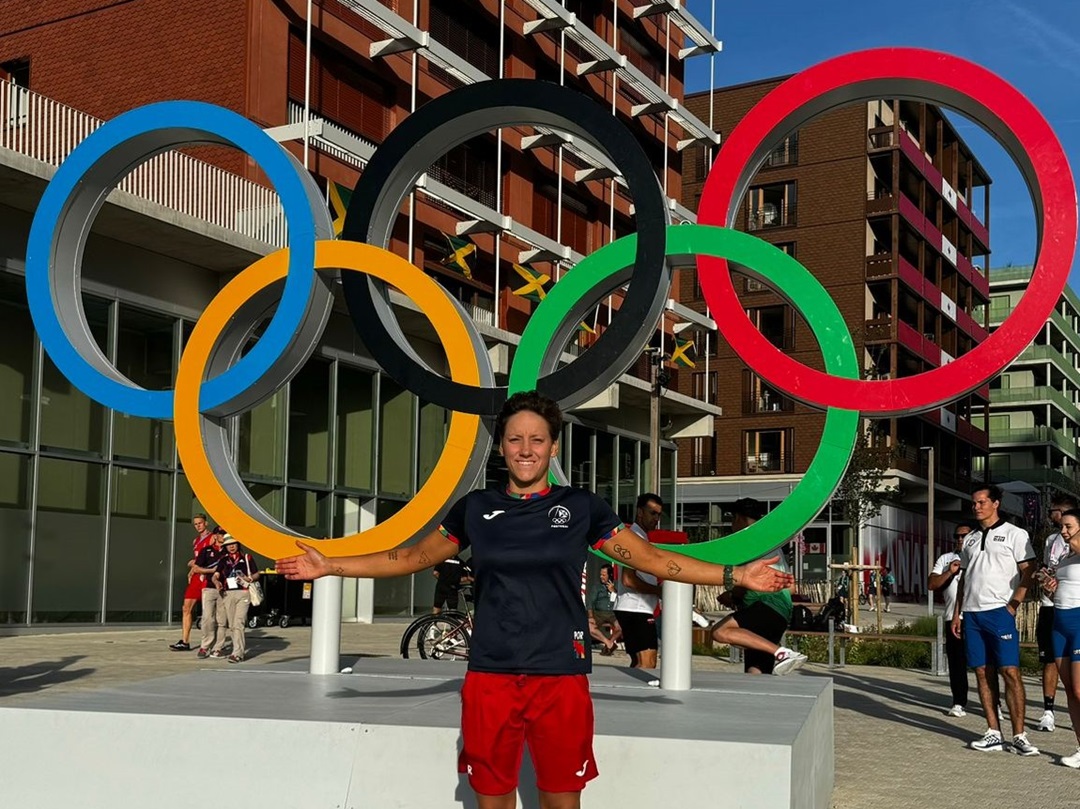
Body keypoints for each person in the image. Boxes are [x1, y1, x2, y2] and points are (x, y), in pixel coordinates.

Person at [275, 390, 792, 809]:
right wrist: (330, 564)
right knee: (492, 798)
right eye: (515, 439)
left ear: (553, 448)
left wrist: (734, 573)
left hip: (560, 676)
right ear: (501, 447)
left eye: (537, 440)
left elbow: (652, 560)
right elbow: (411, 557)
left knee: (561, 800)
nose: (526, 449)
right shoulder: (475, 508)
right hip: (490, 675)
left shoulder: (582, 507)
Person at [951, 484, 1039, 756]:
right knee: (981, 671)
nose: (976, 507)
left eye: (981, 502)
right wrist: (957, 613)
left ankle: (1019, 736)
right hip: (972, 614)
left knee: (1010, 672)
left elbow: (1029, 570)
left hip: (1000, 612)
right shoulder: (970, 538)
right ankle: (993, 732)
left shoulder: (1015, 533)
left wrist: (1014, 604)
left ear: (996, 503)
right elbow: (965, 578)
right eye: (974, 503)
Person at [710, 498, 806, 675]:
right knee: (756, 670)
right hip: (781, 612)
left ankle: (783, 654)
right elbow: (792, 588)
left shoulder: (745, 541)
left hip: (765, 606)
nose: (731, 526)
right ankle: (777, 653)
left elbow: (743, 580)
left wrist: (731, 596)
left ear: (738, 518)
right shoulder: (771, 543)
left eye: (731, 520)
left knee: (720, 631)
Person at [1034, 494, 1077, 732]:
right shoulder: (1054, 542)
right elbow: (1049, 573)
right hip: (1054, 611)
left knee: (1077, 685)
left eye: (1054, 511)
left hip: (1076, 616)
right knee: (1053, 665)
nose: (1062, 530)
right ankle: (1049, 712)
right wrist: (1046, 583)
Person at [1042, 508, 1080, 768]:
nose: (1063, 531)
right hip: (1059, 624)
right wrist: (1050, 588)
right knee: (1070, 692)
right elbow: (1059, 593)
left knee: (1079, 689)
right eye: (1062, 527)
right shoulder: (1066, 559)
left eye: (1068, 526)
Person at [613, 493, 664, 670]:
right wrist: (659, 591)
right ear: (640, 512)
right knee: (648, 663)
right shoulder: (634, 538)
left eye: (659, 515)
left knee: (639, 663)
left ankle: (631, 687)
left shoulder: (640, 538)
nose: (656, 519)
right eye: (652, 513)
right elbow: (628, 579)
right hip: (636, 608)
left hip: (635, 607)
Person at [930, 522, 974, 717]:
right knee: (957, 663)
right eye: (957, 536)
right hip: (952, 617)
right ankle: (959, 702)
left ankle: (994, 704)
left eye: (964, 536)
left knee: (986, 663)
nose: (960, 539)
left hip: (976, 615)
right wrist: (949, 571)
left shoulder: (979, 557)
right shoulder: (946, 558)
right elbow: (931, 584)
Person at [210, 535, 260, 663]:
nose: (231, 546)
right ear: (225, 547)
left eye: (233, 544)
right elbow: (215, 575)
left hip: (243, 592)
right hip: (228, 593)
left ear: (238, 544)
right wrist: (216, 582)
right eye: (228, 544)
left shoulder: (246, 558)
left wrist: (250, 578)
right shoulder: (223, 560)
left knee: (239, 623)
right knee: (232, 624)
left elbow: (256, 574)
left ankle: (238, 653)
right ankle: (236, 650)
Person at [169, 513, 214, 651]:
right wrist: (192, 568)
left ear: (206, 523)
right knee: (186, 607)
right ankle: (185, 641)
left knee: (209, 611)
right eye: (195, 524)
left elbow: (213, 558)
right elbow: (197, 559)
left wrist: (195, 563)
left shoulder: (212, 538)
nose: (198, 526)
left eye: (200, 523)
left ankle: (212, 642)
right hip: (196, 576)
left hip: (207, 576)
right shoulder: (196, 541)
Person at [193, 526, 228, 659]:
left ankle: (218, 647)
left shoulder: (230, 550)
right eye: (220, 533)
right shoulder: (207, 550)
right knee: (207, 618)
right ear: (215, 535)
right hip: (209, 587)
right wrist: (212, 571)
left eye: (225, 533)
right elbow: (196, 568)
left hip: (225, 589)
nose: (222, 536)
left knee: (222, 620)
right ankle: (205, 646)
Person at [587, 565, 621, 656]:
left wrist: (614, 591)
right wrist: (591, 617)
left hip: (613, 614)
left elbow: (622, 600)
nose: (601, 577)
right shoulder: (597, 587)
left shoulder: (617, 585)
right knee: (589, 627)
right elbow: (590, 603)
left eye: (604, 575)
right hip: (599, 613)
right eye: (600, 575)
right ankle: (609, 643)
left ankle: (609, 644)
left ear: (610, 575)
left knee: (620, 627)